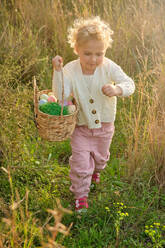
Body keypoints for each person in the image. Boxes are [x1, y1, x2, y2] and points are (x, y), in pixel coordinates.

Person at [52, 16, 135, 213]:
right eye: (87, 53)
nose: (94, 59)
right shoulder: (70, 69)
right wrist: (57, 71)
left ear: (105, 51)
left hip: (105, 126)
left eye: (99, 53)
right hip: (80, 127)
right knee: (81, 164)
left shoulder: (108, 66)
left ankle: (97, 170)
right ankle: (81, 195)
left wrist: (118, 90)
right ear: (77, 50)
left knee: (101, 158)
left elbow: (129, 83)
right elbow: (60, 94)